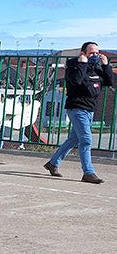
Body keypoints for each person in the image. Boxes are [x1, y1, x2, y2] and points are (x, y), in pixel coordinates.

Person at [43, 42, 112, 184]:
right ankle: (88, 172)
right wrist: (82, 64)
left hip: (90, 109)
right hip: (77, 108)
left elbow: (108, 82)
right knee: (86, 140)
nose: (95, 55)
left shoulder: (96, 68)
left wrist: (106, 66)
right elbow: (75, 81)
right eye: (91, 53)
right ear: (83, 53)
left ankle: (53, 163)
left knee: (73, 139)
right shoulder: (73, 66)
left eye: (97, 53)